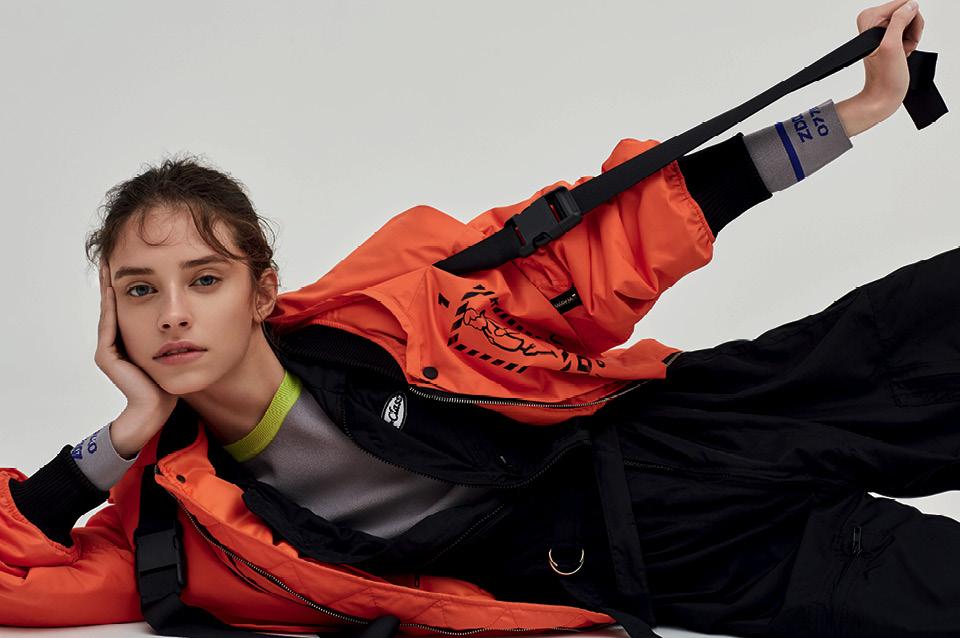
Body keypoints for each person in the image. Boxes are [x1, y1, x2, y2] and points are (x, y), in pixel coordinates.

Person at [0, 1, 946, 637]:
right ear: (110, 316)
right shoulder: (174, 530)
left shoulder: (390, 302)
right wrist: (119, 440)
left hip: (697, 421)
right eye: (139, 290)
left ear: (261, 291)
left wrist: (858, 110)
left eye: (203, 279)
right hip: (671, 566)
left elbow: (616, 238)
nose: (172, 314)